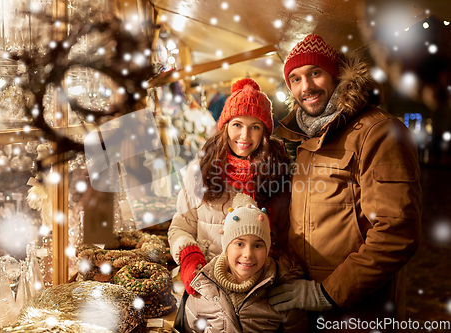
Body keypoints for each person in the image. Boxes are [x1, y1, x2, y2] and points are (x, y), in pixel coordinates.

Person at [269, 34, 422, 328]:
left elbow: (396, 232)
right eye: (296, 79)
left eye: (315, 73)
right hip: (309, 310)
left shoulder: (380, 132)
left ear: (337, 74)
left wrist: (326, 293)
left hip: (362, 311)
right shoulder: (304, 138)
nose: (307, 87)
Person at [168, 78, 290, 295]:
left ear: (264, 132)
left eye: (254, 126)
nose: (244, 136)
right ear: (225, 126)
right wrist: (189, 257)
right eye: (237, 125)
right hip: (208, 283)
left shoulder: (277, 173)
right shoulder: (201, 170)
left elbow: (284, 234)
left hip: (259, 290)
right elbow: (180, 227)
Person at [180, 193, 308, 333]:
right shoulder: (202, 291)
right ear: (226, 247)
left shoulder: (283, 294)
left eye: (258, 245)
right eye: (239, 243)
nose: (248, 254)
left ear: (267, 249)